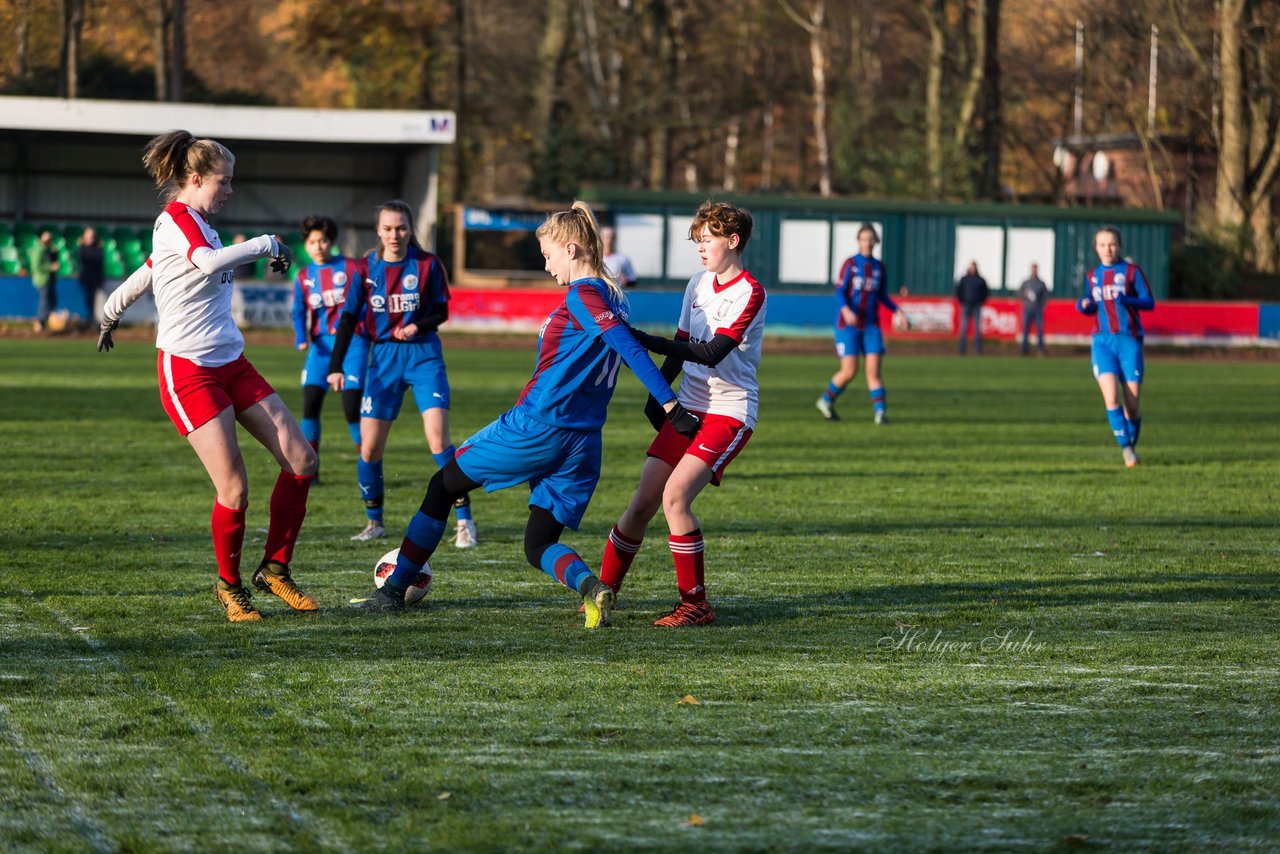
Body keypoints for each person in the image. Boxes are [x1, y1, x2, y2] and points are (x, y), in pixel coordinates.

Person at [350, 200, 700, 628]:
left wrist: (670, 405)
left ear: (571, 250)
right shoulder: (613, 299)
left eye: (549, 256)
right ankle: (593, 588)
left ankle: (393, 590)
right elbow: (634, 345)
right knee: (538, 544)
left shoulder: (583, 295)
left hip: (537, 427)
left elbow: (629, 348)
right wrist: (673, 373)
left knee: (442, 486)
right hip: (584, 443)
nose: (548, 267)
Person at [95, 129, 319, 623]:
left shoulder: (196, 221)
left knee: (302, 460)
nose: (230, 190)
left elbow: (151, 270)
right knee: (234, 487)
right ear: (195, 179)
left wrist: (111, 311)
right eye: (225, 181)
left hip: (231, 362)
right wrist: (266, 243)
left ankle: (275, 570)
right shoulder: (178, 218)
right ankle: (230, 586)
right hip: (189, 371)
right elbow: (206, 262)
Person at [603, 201, 764, 626]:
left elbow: (712, 353)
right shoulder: (697, 283)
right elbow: (682, 339)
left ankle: (696, 606)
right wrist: (659, 394)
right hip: (689, 406)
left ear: (733, 241)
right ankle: (602, 593)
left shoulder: (751, 291)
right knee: (641, 504)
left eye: (707, 239)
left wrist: (638, 340)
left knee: (675, 499)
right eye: (698, 240)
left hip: (728, 412)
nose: (700, 247)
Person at [325, 200, 478, 549]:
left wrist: (416, 326)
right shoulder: (366, 269)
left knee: (439, 442)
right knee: (369, 449)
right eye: (389, 228)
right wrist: (336, 366)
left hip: (424, 356)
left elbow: (441, 311)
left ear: (411, 229)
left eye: (402, 228)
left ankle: (465, 522)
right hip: (384, 360)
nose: (396, 235)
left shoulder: (426, 264)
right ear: (379, 231)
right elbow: (348, 319)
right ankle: (375, 522)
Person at [291, 215, 368, 483]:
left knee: (351, 407)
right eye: (312, 242)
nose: (318, 246)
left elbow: (367, 299)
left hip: (353, 343)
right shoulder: (303, 277)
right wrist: (301, 337)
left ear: (331, 242)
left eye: (323, 241)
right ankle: (311, 470)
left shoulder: (350, 268)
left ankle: (368, 467)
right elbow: (298, 311)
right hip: (321, 348)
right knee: (310, 404)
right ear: (306, 245)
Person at [1076, 226, 1154, 468]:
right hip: (1102, 342)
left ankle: (1130, 443)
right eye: (1102, 245)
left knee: (1132, 403)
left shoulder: (1132, 272)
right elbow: (1091, 305)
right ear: (1096, 248)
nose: (1107, 249)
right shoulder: (1092, 276)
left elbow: (1149, 302)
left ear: (1119, 246)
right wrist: (1083, 305)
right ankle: (1127, 450)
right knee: (1111, 397)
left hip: (1129, 341)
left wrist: (1127, 299)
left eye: (1112, 244)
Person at [815, 223, 907, 424]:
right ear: (859, 241)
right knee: (849, 370)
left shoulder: (879, 267)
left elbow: (882, 295)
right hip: (847, 326)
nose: (868, 242)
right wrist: (846, 310)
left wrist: (897, 310)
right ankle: (826, 400)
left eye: (871, 239)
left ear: (876, 241)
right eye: (864, 239)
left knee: (873, 370)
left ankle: (880, 413)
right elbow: (840, 291)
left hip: (871, 325)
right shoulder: (851, 264)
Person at [28, 230, 61, 333]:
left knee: (52, 301)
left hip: (49, 280)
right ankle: (40, 322)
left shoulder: (47, 250)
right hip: (42, 279)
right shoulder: (39, 250)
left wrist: (55, 254)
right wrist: (50, 267)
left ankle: (45, 322)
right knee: (44, 302)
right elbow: (36, 266)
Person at [955, 261, 988, 354]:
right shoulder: (964, 279)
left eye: (973, 267)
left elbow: (985, 292)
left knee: (977, 329)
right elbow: (959, 291)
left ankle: (978, 350)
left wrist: (980, 301)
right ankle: (962, 350)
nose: (972, 269)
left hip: (976, 306)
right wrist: (962, 301)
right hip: (966, 305)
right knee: (963, 328)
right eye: (970, 267)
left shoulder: (980, 280)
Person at [76, 228, 105, 330]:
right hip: (85, 279)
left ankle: (92, 322)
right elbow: (84, 257)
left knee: (94, 302)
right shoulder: (82, 248)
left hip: (94, 280)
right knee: (87, 301)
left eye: (92, 236)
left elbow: (97, 259)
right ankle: (87, 321)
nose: (90, 239)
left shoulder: (98, 249)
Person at [1019, 262, 1049, 356]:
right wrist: (1025, 295)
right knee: (1025, 330)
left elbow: (1045, 295)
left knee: (1039, 329)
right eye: (1032, 269)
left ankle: (1040, 349)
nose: (1034, 271)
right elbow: (1020, 293)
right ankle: (1024, 349)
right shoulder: (1026, 282)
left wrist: (1042, 304)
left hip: (1038, 309)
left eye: (1035, 269)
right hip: (1027, 308)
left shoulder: (1041, 283)